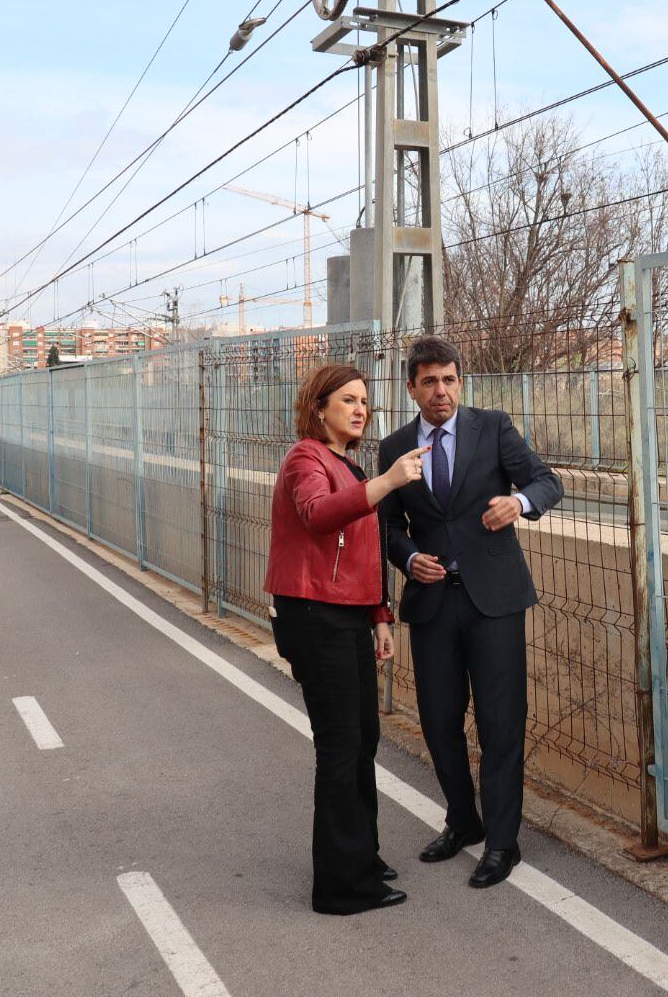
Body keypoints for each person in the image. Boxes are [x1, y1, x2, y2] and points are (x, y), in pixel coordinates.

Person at [377, 336, 563, 889]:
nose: (441, 390)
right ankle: (463, 820)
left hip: (495, 601)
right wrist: (410, 559)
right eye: (430, 381)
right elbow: (384, 525)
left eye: (450, 379)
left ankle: (503, 843)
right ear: (412, 387)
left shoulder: (494, 427)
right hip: (434, 602)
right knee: (438, 719)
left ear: (461, 381)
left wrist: (519, 503)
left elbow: (547, 481)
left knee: (500, 721)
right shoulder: (394, 448)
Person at [264, 363, 431, 916]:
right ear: (319, 408)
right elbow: (316, 515)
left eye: (364, 401)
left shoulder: (346, 464)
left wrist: (380, 614)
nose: (360, 409)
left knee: (362, 743)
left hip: (348, 617)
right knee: (340, 749)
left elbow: (365, 549)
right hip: (314, 617)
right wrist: (387, 482)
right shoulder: (305, 458)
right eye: (347, 400)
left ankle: (361, 858)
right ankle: (340, 887)